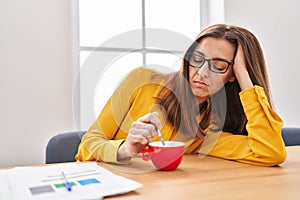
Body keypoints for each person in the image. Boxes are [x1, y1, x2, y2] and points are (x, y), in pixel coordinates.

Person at [75, 24, 286, 166]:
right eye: (197, 59)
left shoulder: (210, 131)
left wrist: (243, 75)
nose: (202, 73)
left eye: (219, 65)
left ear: (233, 76)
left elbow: (269, 152)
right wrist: (125, 149)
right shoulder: (142, 82)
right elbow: (87, 145)